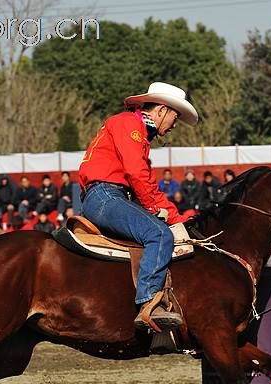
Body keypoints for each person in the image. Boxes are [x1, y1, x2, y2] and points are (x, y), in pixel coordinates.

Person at [79, 81, 198, 331]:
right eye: (175, 117)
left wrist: (172, 215)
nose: (175, 124)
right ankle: (148, 303)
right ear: (162, 110)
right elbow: (137, 175)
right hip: (105, 196)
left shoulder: (136, 132)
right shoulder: (130, 125)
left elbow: (144, 183)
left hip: (107, 196)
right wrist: (169, 218)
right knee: (158, 233)